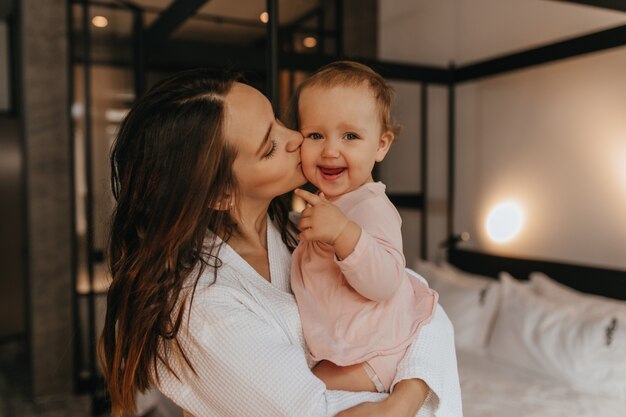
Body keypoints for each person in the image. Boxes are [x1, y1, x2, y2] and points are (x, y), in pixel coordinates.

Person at [99, 68, 462, 417]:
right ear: (222, 193)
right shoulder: (202, 309)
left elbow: (419, 300)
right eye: (270, 146)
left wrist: (405, 396)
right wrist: (408, 384)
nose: (297, 138)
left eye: (277, 120)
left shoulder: (302, 232)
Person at [289, 61, 438, 394]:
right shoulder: (333, 203)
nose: (330, 150)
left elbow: (385, 280)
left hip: (373, 355)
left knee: (298, 396)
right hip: (348, 350)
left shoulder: (371, 207)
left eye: (350, 136)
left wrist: (343, 234)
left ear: (381, 145)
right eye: (315, 135)